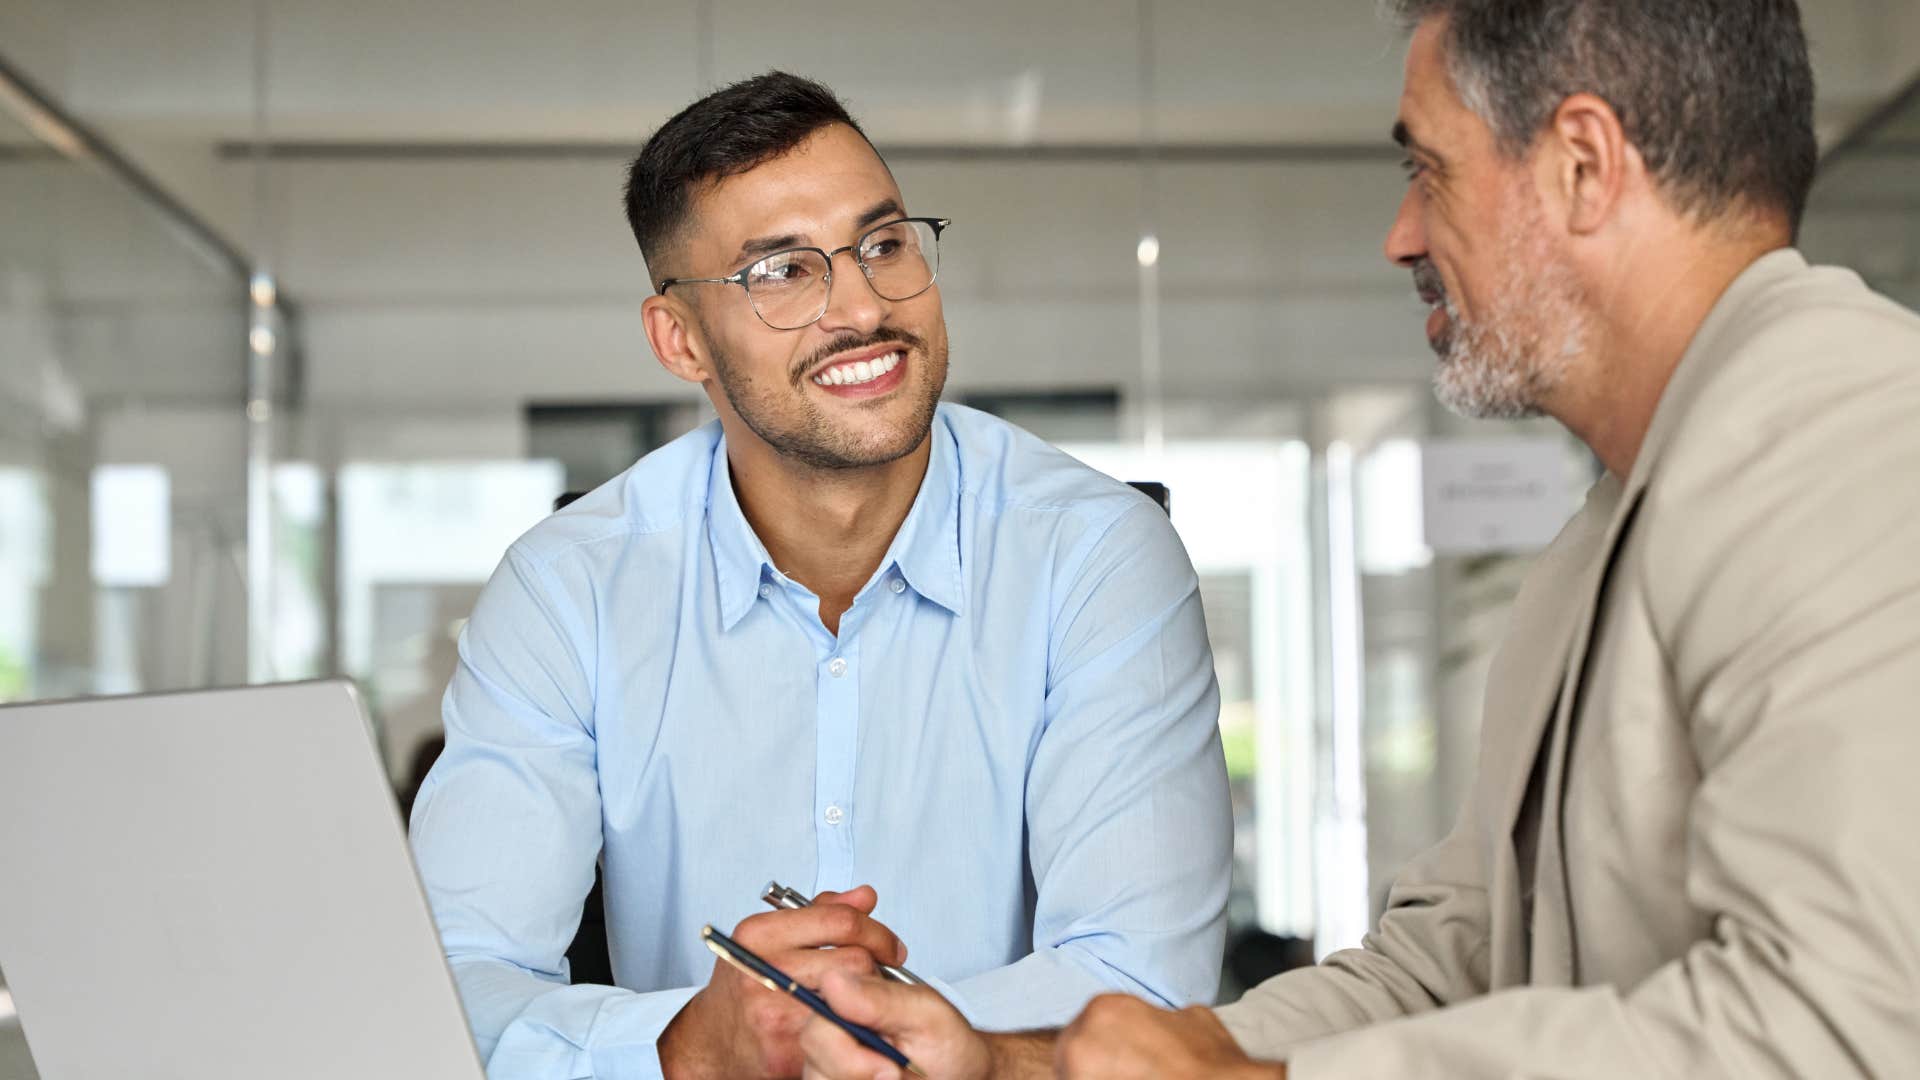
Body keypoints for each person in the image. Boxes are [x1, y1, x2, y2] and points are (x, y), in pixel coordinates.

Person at [798, 1, 1920, 1076]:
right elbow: (1454, 963)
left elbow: (1844, 1028)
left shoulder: (1852, 437)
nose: (1401, 237)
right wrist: (1013, 1064)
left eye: (1427, 171)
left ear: (1583, 164)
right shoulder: (1616, 523)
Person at [407, 72, 1232, 1080]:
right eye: (783, 272)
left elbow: (1142, 987)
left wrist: (838, 1033)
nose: (862, 306)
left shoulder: (1094, 554)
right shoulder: (568, 589)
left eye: (883, 244)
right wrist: (688, 1046)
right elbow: (451, 986)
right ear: (679, 339)